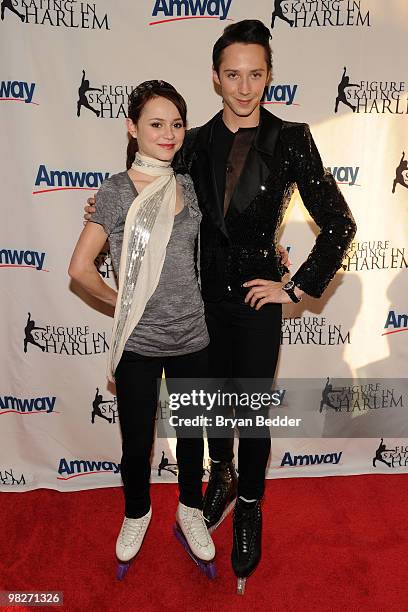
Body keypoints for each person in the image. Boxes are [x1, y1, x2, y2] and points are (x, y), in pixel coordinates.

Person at [84, 20, 356, 593]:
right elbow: (154, 194)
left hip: (257, 304)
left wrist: (294, 284)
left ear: (269, 75)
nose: (244, 86)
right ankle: (222, 476)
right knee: (207, 413)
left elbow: (338, 223)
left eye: (255, 73)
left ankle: (251, 503)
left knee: (252, 413)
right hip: (201, 303)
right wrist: (107, 203)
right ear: (215, 78)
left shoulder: (292, 139)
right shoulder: (196, 143)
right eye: (232, 74)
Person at [70, 80, 216, 578]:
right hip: (139, 343)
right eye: (156, 124)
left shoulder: (189, 185)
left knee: (193, 437)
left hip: (193, 338)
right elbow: (80, 268)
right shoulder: (113, 192)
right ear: (132, 129)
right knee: (137, 442)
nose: (168, 134)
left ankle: (191, 511)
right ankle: (137, 513)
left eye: (176, 124)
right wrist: (124, 305)